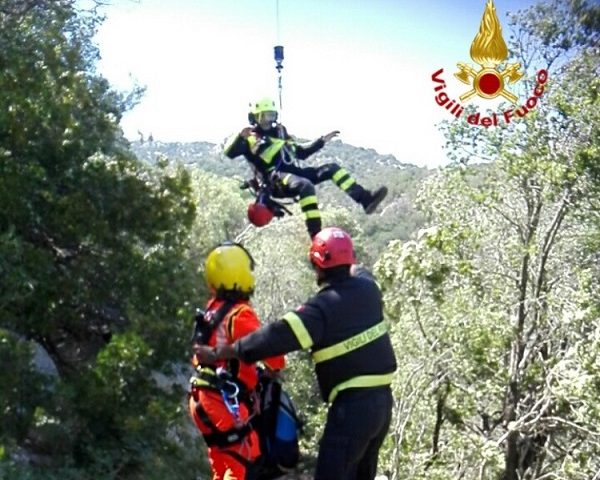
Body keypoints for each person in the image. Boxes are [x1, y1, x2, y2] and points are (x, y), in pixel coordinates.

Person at [193, 227, 398, 480]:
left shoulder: (321, 309)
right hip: (382, 405)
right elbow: (360, 272)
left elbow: (275, 337)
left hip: (352, 409)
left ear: (317, 265)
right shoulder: (369, 289)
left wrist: (222, 352)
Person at [224, 97, 388, 238]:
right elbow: (229, 153)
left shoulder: (280, 133)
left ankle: (366, 200)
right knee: (305, 185)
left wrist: (322, 141)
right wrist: (240, 136)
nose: (269, 120)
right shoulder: (250, 138)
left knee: (332, 169)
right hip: (275, 180)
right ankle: (315, 234)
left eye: (271, 115)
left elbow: (300, 153)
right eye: (265, 116)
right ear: (256, 117)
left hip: (294, 173)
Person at [188, 242, 285, 480]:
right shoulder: (240, 314)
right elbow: (273, 357)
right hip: (224, 401)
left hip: (201, 397)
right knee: (239, 459)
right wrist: (273, 369)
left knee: (221, 463)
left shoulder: (213, 309)